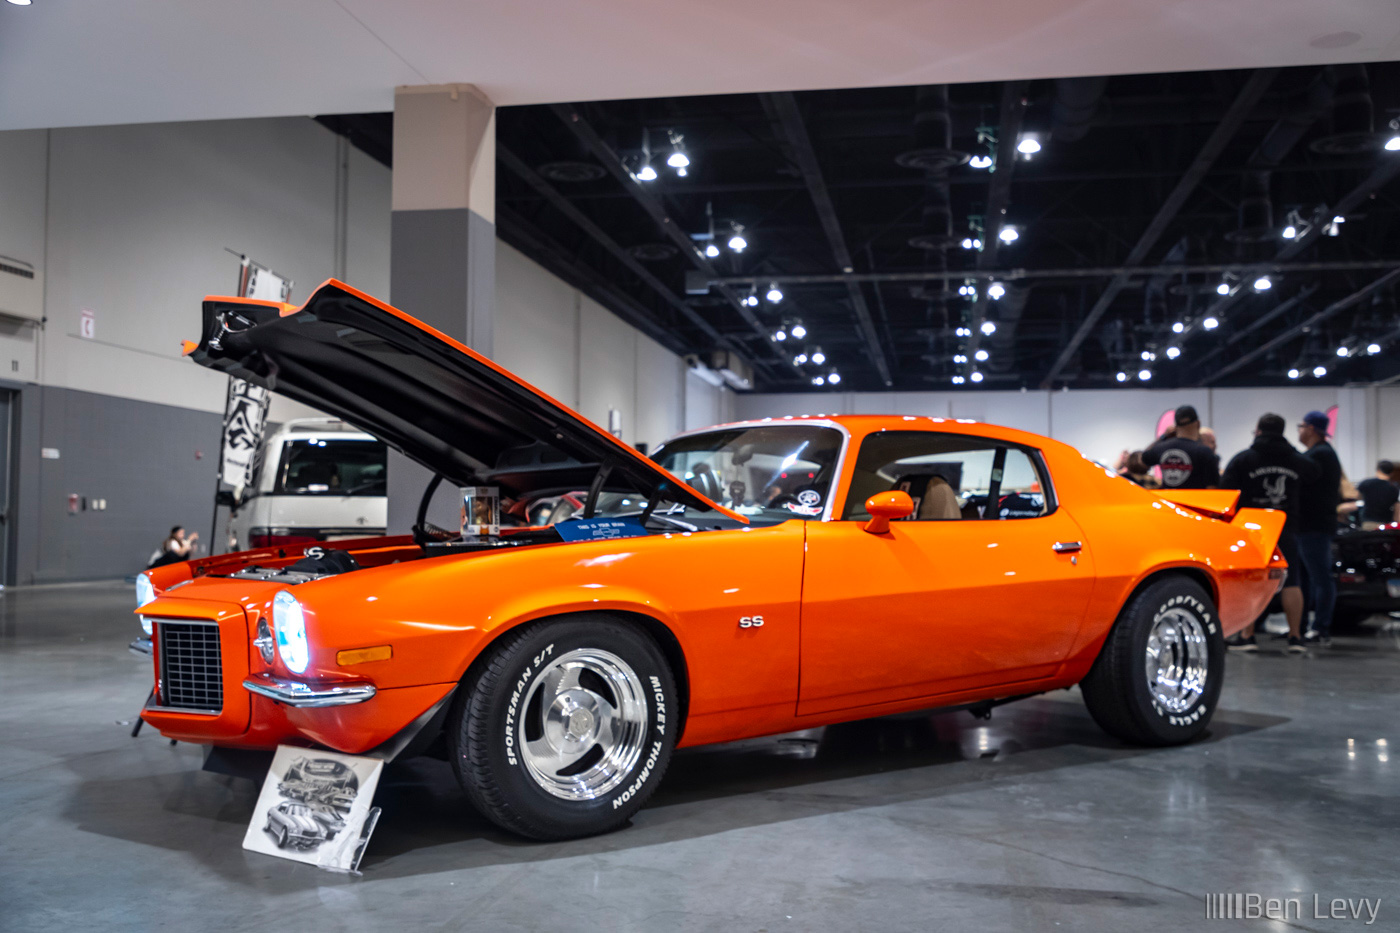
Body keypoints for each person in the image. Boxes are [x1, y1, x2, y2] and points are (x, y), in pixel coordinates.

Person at [1220, 414, 1319, 653]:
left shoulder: (1244, 459)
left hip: (1254, 527)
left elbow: (1226, 491)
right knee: (1292, 581)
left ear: (1259, 431)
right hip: (1286, 524)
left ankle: (1248, 636)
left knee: (1252, 581)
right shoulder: (1297, 460)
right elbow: (1316, 477)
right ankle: (1296, 637)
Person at [1296, 411, 1342, 645]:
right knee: (1307, 579)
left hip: (1314, 526)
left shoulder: (1320, 455)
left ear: (1311, 428)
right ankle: (1302, 627)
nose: (1299, 431)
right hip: (1311, 526)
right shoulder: (1322, 454)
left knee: (1319, 578)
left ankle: (1320, 628)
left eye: (1301, 426)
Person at [1142, 405, 1220, 489]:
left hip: (1168, 500)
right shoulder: (1204, 452)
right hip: (1194, 501)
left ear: (1175, 426)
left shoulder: (1162, 448)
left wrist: (1163, 437)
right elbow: (1213, 488)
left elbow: (1144, 458)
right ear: (1198, 424)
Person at [1355, 459, 1399, 530]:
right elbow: (1397, 510)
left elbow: (1356, 498)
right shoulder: (1394, 488)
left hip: (1368, 524)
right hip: (1386, 525)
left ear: (1378, 470)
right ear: (1391, 473)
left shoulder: (1366, 483)